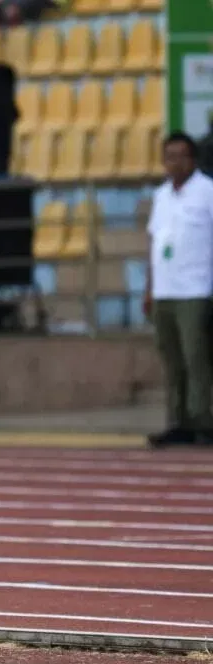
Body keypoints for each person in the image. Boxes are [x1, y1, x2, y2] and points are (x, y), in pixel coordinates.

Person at [145, 132, 213, 448]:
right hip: (165, 290)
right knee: (172, 360)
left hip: (196, 288)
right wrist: (149, 287)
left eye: (180, 156)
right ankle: (178, 421)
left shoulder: (207, 192)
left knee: (196, 357)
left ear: (193, 159)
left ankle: (203, 421)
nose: (174, 162)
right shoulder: (161, 196)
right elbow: (154, 243)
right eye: (169, 156)